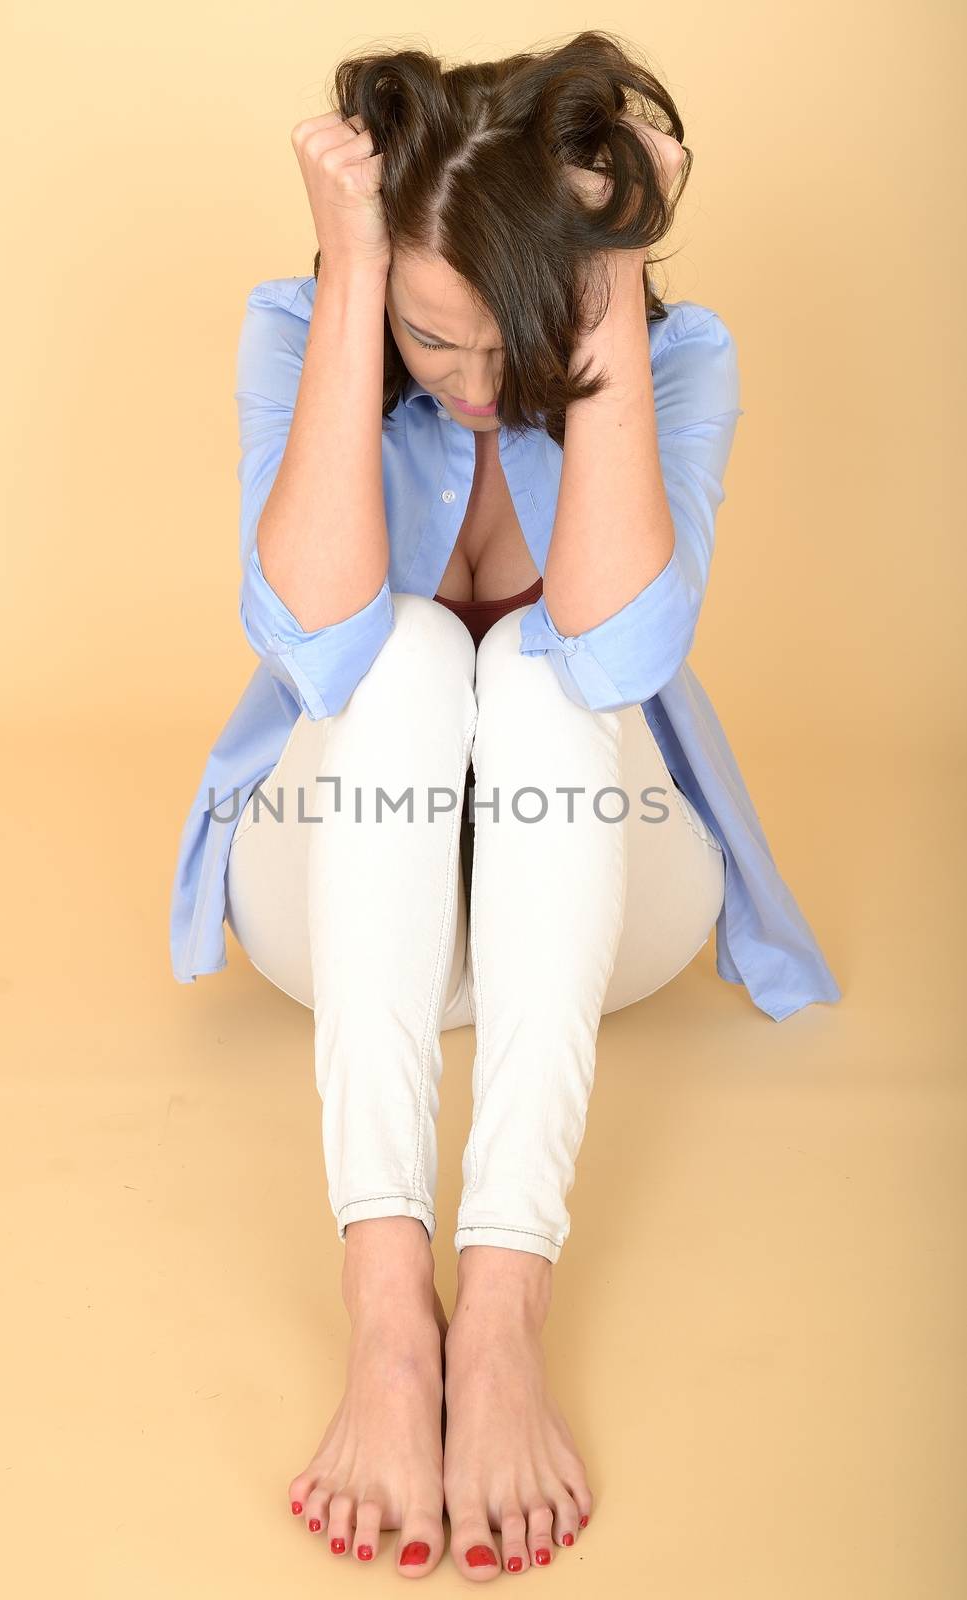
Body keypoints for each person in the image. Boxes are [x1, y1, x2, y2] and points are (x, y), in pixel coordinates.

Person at [169, 32, 841, 1582]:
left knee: (548, 674)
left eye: (513, 345)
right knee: (399, 651)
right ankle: (389, 1319)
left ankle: (506, 1302)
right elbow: (320, 643)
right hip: (331, 908)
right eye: (432, 338)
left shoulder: (674, 357)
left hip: (603, 906)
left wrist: (603, 285)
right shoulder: (304, 327)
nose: (476, 392)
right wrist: (352, 292)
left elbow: (618, 648)